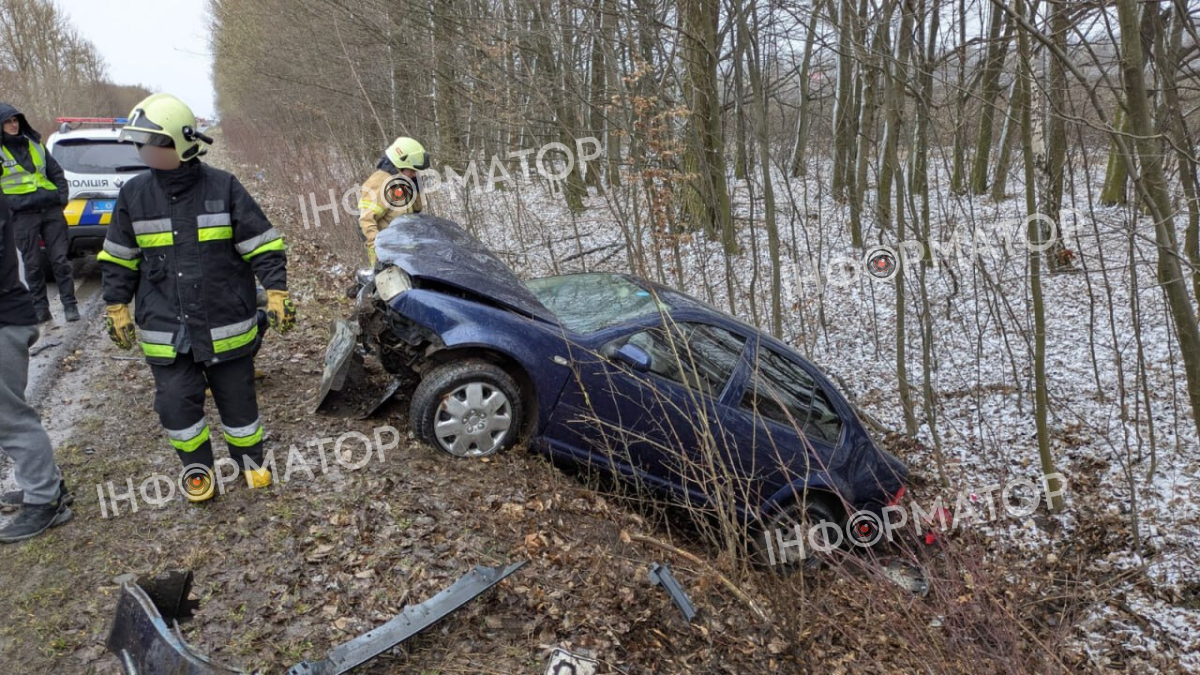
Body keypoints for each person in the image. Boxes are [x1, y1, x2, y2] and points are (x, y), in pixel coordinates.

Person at [98, 93, 295, 503]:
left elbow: (262, 244)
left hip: (225, 322)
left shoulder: (223, 187)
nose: (145, 152)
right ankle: (197, 470)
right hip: (165, 329)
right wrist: (116, 304)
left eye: (153, 144)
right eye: (142, 145)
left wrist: (276, 290)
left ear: (180, 143)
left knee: (239, 403)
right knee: (175, 406)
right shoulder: (134, 195)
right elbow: (119, 259)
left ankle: (251, 462)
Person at [0, 190, 73, 542]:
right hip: (9, 316)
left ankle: (46, 501)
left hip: (3, 322)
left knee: (9, 418)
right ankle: (46, 484)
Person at [0, 104, 78, 323]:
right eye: (8, 121)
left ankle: (70, 306)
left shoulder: (35, 144)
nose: (13, 125)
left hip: (51, 210)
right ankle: (40, 309)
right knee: (32, 265)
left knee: (60, 261)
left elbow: (56, 173)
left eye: (15, 120)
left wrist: (62, 198)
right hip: (22, 215)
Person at [358, 137, 428, 265]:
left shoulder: (401, 181)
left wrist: (417, 189)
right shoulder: (380, 182)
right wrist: (379, 252)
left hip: (404, 251)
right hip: (387, 257)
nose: (414, 174)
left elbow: (416, 211)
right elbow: (366, 220)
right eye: (412, 170)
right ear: (399, 165)